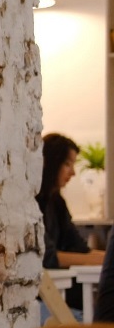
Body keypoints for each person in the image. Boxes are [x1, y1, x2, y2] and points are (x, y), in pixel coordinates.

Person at [36, 133, 105, 317]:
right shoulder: (34, 203)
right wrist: (105, 261)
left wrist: (106, 258)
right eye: (67, 164)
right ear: (51, 162)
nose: (73, 172)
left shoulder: (57, 202)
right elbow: (47, 257)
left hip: (61, 288)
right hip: (42, 294)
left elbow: (79, 247)